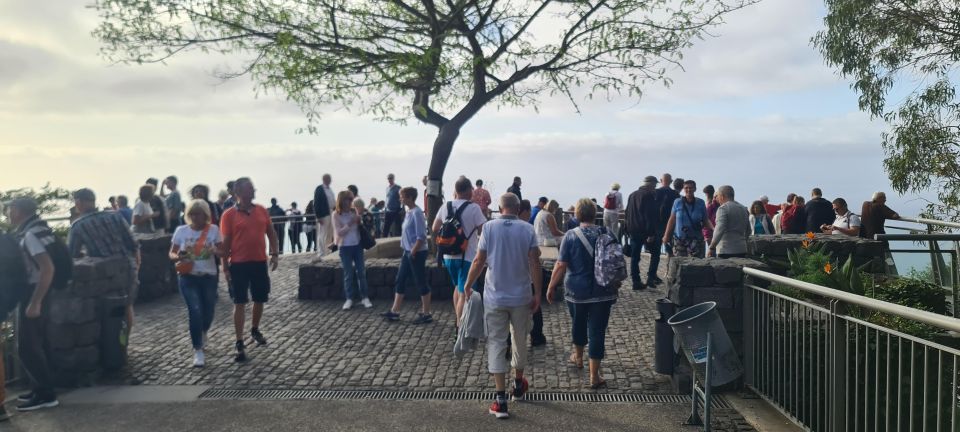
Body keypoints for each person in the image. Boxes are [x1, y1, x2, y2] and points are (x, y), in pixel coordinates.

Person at [463, 193, 542, 418]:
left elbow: (479, 260)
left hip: (495, 297)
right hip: (521, 297)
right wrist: (537, 292)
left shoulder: (489, 228)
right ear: (518, 209)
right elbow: (534, 261)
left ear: (500, 207)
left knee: (497, 343)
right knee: (519, 339)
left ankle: (500, 399)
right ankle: (518, 384)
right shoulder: (527, 229)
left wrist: (468, 285)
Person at [546, 198, 616, 389]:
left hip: (576, 291)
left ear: (577, 215)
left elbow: (561, 264)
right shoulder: (607, 232)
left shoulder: (570, 235)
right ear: (594, 214)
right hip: (603, 290)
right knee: (597, 332)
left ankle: (578, 357)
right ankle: (594, 376)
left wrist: (551, 286)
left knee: (578, 323)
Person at [6, 198, 59, 412]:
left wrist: (35, 302)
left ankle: (46, 394)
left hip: (35, 291)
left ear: (17, 211)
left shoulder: (29, 234)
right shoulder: (40, 228)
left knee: (27, 346)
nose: (7, 214)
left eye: (8, 210)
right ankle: (39, 388)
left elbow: (47, 268)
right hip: (40, 291)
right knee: (35, 343)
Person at [220, 177, 279, 363]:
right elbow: (226, 243)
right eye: (249, 189)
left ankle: (254, 328)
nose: (252, 192)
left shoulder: (261, 210)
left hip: (259, 261)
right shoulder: (229, 215)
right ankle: (239, 340)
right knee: (240, 302)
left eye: (253, 189)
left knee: (260, 298)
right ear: (238, 193)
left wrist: (275, 253)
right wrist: (225, 267)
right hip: (238, 264)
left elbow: (271, 233)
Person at [67, 188, 140, 330]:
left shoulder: (78, 225)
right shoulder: (115, 216)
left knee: (106, 311)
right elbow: (132, 243)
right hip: (126, 267)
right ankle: (123, 345)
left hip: (103, 275)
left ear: (79, 202)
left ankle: (111, 346)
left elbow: (72, 254)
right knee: (127, 306)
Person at [169, 199, 222, 368]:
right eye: (191, 213)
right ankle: (197, 349)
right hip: (188, 276)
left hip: (208, 276)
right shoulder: (181, 231)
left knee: (208, 311)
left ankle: (203, 331)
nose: (194, 217)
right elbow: (172, 252)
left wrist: (215, 250)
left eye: (198, 214)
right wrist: (179, 256)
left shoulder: (213, 230)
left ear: (205, 215)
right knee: (195, 310)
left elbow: (223, 251)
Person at [432, 176, 486, 324]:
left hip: (448, 256)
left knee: (458, 288)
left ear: (456, 190)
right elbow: (484, 230)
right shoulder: (474, 208)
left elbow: (435, 228)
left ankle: (458, 320)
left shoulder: (446, 206)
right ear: (469, 190)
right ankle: (460, 327)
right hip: (466, 257)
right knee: (464, 293)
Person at [381, 187, 432, 323]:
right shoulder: (409, 212)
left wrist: (413, 252)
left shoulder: (417, 213)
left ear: (409, 197)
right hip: (408, 252)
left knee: (420, 281)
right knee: (400, 279)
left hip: (416, 252)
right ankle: (395, 311)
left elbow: (421, 236)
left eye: (402, 196)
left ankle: (426, 313)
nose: (400, 199)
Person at [333, 191, 374, 310]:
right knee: (348, 274)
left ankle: (365, 297)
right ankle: (349, 298)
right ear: (342, 200)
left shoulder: (353, 212)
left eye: (351, 199)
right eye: (348, 199)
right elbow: (339, 232)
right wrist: (351, 223)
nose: (351, 202)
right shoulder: (336, 214)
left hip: (357, 245)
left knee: (361, 272)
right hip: (344, 246)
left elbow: (359, 227)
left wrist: (358, 221)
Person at [662, 180, 713, 258]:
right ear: (683, 189)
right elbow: (672, 220)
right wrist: (666, 236)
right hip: (680, 239)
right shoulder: (677, 202)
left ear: (695, 189)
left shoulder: (700, 202)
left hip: (696, 239)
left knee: (697, 264)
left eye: (691, 188)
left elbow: (706, 219)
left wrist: (713, 229)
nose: (688, 190)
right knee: (679, 264)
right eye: (686, 188)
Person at [625, 176, 659, 289]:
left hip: (633, 230)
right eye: (655, 185)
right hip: (644, 231)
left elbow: (627, 213)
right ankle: (651, 277)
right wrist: (651, 233)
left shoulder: (632, 195)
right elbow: (650, 216)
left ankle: (636, 281)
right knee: (655, 253)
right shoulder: (648, 196)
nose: (655, 188)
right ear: (651, 185)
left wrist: (627, 229)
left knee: (635, 257)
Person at [708, 186, 750, 258]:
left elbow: (719, 229)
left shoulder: (723, 209)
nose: (716, 199)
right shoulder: (743, 208)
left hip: (726, 250)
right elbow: (749, 230)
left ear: (722, 196)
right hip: (742, 249)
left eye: (717, 196)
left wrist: (712, 247)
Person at [655, 173, 679, 262]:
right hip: (671, 223)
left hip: (658, 224)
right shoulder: (675, 194)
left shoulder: (656, 192)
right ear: (671, 182)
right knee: (671, 248)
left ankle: (653, 273)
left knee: (656, 250)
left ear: (661, 181)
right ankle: (670, 268)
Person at [313, 174, 334, 257]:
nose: (330, 180)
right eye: (328, 179)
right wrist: (318, 216)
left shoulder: (329, 189)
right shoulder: (320, 189)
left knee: (329, 233)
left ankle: (327, 250)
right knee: (322, 233)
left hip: (331, 212)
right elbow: (316, 203)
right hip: (324, 213)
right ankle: (321, 252)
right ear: (324, 179)